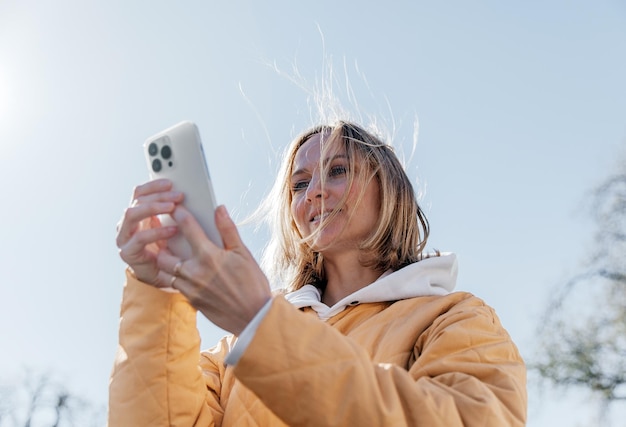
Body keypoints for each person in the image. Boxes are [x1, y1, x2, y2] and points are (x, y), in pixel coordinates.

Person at [109, 121, 527, 426]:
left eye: (338, 170)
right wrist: (157, 290)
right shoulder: (235, 351)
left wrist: (262, 326)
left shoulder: (454, 320)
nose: (314, 193)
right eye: (299, 184)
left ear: (391, 189)